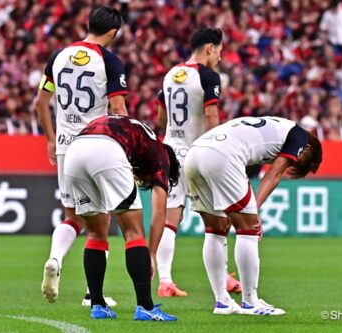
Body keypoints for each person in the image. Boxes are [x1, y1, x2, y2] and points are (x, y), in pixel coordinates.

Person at [184, 116, 322, 315]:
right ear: (308, 149)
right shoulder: (300, 137)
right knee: (249, 229)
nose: (293, 164)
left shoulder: (273, 126)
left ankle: (223, 302)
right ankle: (250, 302)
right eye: (299, 163)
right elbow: (274, 173)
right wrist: (254, 212)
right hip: (222, 155)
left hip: (194, 153)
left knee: (216, 229)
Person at [35, 6, 127, 305]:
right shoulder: (110, 61)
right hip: (96, 145)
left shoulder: (59, 56)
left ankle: (54, 258)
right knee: (101, 221)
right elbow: (117, 109)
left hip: (64, 145)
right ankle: (93, 293)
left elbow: (41, 101)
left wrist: (50, 139)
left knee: (71, 216)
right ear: (112, 33)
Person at [64, 115, 179, 321]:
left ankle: (97, 305)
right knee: (134, 233)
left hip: (74, 150)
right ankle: (146, 307)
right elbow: (160, 212)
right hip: (107, 149)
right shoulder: (161, 154)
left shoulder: (140, 138)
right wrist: (150, 254)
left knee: (95, 234)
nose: (143, 181)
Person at [155, 27, 241, 297]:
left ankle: (165, 280)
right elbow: (211, 114)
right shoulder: (208, 76)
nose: (219, 56)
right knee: (217, 218)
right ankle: (223, 278)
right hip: (196, 152)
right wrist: (216, 148)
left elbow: (161, 116)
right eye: (219, 50)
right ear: (209, 48)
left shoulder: (171, 75)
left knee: (170, 219)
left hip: (169, 150)